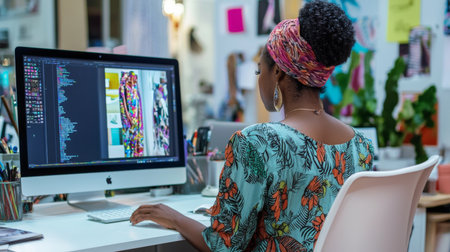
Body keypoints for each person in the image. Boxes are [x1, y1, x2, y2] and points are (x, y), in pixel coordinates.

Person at [130, 1, 374, 251]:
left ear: (278, 72)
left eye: (259, 71)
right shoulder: (361, 146)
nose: (259, 80)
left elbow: (224, 245)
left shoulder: (256, 142)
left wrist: (175, 218)